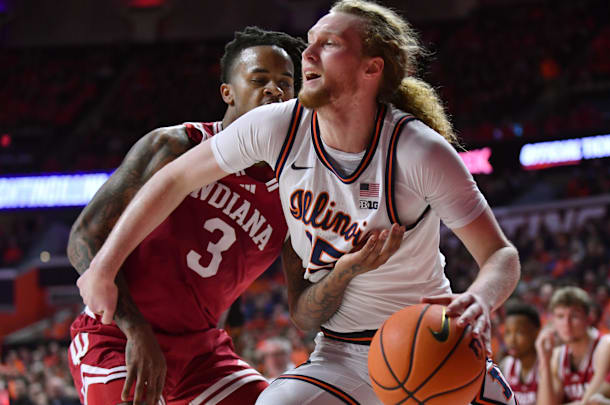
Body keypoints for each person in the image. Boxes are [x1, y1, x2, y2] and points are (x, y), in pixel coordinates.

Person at [74, 1, 521, 404]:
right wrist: (104, 268)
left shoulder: (418, 152)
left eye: (328, 45)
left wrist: (481, 299)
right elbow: (171, 180)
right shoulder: (274, 128)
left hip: (425, 340)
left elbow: (500, 254)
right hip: (341, 354)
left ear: (371, 69)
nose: (307, 55)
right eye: (309, 44)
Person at [65, 27, 305, 405]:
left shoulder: (294, 189)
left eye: (285, 83)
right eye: (259, 79)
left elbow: (236, 272)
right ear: (227, 92)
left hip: (203, 353)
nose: (274, 90)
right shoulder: (176, 145)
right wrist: (137, 331)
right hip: (117, 336)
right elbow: (83, 239)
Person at [535, 287, 610, 405]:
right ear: (553, 321)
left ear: (589, 318)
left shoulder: (608, 346)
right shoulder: (558, 355)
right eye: (560, 316)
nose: (566, 324)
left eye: (574, 316)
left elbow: (590, 403)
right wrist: (545, 361)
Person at [499, 301, 541, 405]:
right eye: (508, 332)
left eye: (519, 332)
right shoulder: (506, 364)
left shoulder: (548, 364)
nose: (512, 340)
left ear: (536, 333)